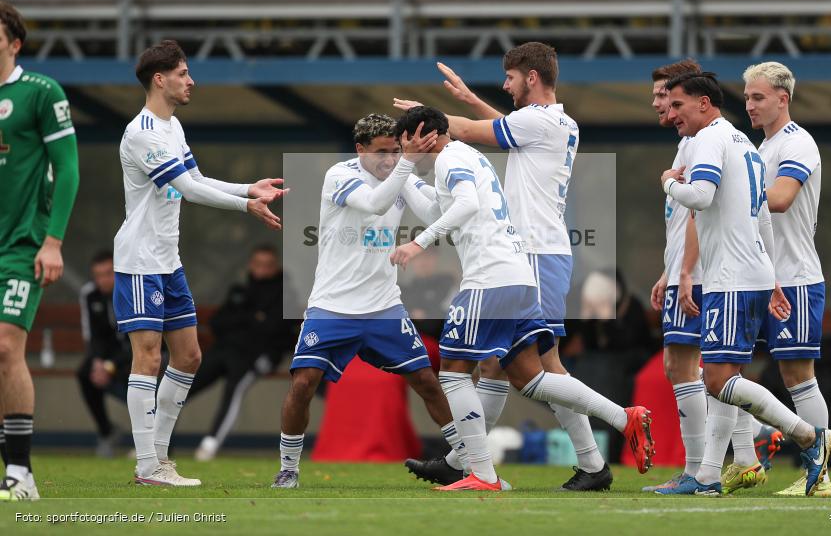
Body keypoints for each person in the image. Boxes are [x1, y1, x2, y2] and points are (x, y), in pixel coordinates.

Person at [391, 106, 654, 492]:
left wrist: (418, 242)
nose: (405, 152)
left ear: (422, 135)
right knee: (530, 377)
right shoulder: (467, 157)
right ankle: (624, 416)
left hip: (489, 280)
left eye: (405, 143)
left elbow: (465, 206)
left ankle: (480, 474)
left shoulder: (450, 158)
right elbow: (438, 208)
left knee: (452, 371)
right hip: (517, 276)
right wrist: (403, 172)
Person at [114, 40, 285, 487]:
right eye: (184, 73)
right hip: (139, 261)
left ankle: (159, 459)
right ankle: (147, 466)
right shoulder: (143, 132)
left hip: (168, 261)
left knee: (188, 357)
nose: (191, 81)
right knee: (147, 359)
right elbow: (188, 191)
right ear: (160, 78)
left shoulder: (173, 128)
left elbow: (197, 180)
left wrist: (249, 188)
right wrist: (243, 207)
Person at [659, 71, 831, 496]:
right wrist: (770, 274)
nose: (668, 109)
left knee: (723, 378)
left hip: (740, 277)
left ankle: (808, 440)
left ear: (703, 103)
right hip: (755, 273)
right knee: (722, 375)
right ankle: (711, 475)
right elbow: (760, 217)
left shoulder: (722, 141)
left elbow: (702, 197)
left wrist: (668, 181)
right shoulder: (748, 144)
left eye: (676, 102)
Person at [271, 113, 468, 489]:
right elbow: (376, 203)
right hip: (332, 306)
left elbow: (432, 213)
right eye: (381, 152)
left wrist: (447, 176)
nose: (390, 159)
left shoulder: (401, 171)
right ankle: (288, 467)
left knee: (427, 380)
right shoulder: (340, 175)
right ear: (360, 149)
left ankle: (466, 460)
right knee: (302, 384)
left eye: (395, 151)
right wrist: (408, 162)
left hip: (383, 308)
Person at [646, 61, 783, 496]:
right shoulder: (708, 138)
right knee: (714, 370)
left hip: (712, 272)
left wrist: (685, 272)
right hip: (716, 269)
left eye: (666, 96)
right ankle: (743, 454)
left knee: (697, 370)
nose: (660, 105)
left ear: (692, 99)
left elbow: (696, 209)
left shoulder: (700, 140)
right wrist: (671, 268)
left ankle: (707, 465)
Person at [0, 1, 80, 502]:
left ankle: (20, 473)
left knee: (6, 347)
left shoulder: (40, 92)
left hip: (21, 245)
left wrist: (53, 241)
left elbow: (68, 169)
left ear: (13, 43)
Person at [744, 61, 831, 497]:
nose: (750, 105)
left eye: (758, 97)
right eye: (746, 97)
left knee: (798, 376)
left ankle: (818, 473)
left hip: (794, 278)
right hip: (757, 277)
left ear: (784, 98)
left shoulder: (799, 144)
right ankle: (744, 458)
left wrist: (724, 189)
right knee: (724, 370)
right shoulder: (762, 149)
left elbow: (778, 199)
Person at [190, 244, 298, 462]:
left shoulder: (285, 294)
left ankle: (209, 445)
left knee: (234, 388)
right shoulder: (240, 290)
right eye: (258, 264)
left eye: (268, 266)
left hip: (259, 356)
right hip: (225, 351)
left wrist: (244, 320)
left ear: (276, 267)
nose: (262, 270)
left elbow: (273, 328)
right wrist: (251, 318)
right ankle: (157, 442)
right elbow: (217, 322)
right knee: (184, 384)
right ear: (251, 265)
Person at [77, 251, 132, 458]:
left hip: (136, 354)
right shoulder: (89, 294)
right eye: (98, 275)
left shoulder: (131, 289)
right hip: (109, 355)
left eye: (108, 273)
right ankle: (106, 431)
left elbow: (138, 343)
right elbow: (93, 336)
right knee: (85, 373)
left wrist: (110, 365)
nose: (103, 280)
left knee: (143, 376)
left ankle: (151, 441)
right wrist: (99, 362)